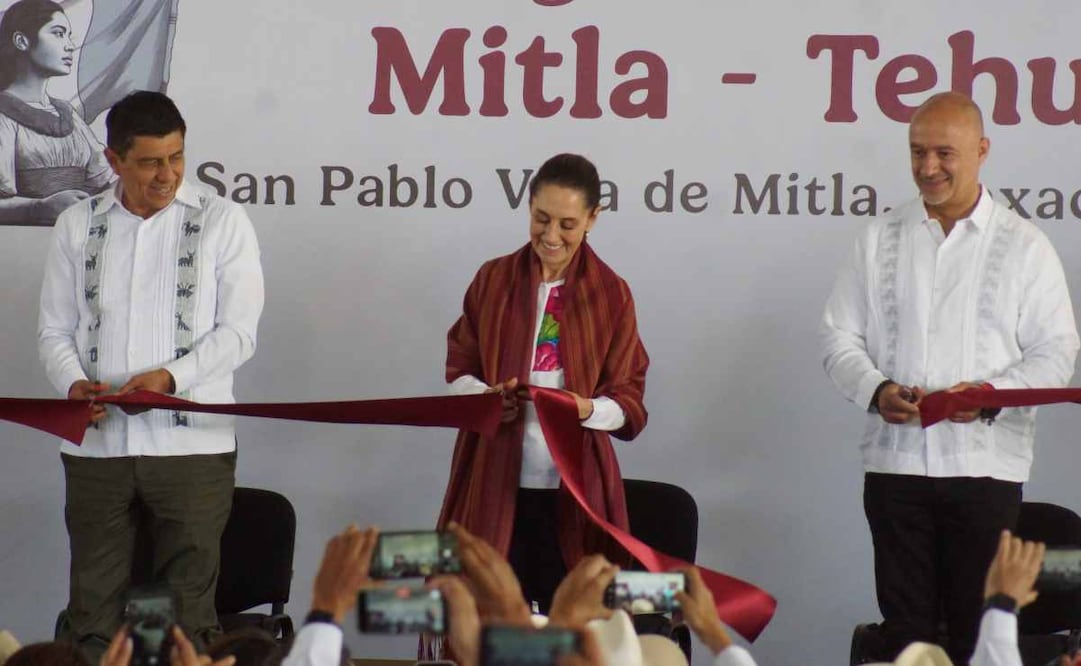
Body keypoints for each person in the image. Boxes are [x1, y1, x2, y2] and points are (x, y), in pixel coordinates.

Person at [820, 91, 1079, 663]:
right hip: (896, 469)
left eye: (944, 153)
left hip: (984, 472)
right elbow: (838, 337)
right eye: (916, 152)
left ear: (982, 150)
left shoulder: (1025, 247)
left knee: (980, 632)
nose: (927, 168)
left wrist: (988, 398)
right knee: (906, 636)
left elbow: (1057, 351)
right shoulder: (877, 237)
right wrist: (877, 390)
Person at [37, 90, 264, 660]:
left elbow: (238, 333)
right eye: (150, 162)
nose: (168, 175)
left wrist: (169, 377)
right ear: (113, 160)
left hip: (192, 449)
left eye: (177, 157)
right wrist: (71, 383)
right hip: (96, 449)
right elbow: (54, 332)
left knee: (185, 614)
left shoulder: (222, 220)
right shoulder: (75, 224)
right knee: (92, 611)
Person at [439, 152, 650, 613]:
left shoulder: (612, 294)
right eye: (541, 219)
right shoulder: (492, 279)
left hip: (574, 492)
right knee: (487, 622)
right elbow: (459, 370)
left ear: (594, 218)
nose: (551, 236)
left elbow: (629, 401)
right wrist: (485, 397)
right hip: (493, 479)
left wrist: (585, 409)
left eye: (568, 224)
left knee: (574, 629)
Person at [0, 0, 113, 226]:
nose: (70, 45)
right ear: (21, 41)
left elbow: (105, 180)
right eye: (58, 34)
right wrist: (38, 207)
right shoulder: (3, 115)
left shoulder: (67, 114)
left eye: (69, 35)